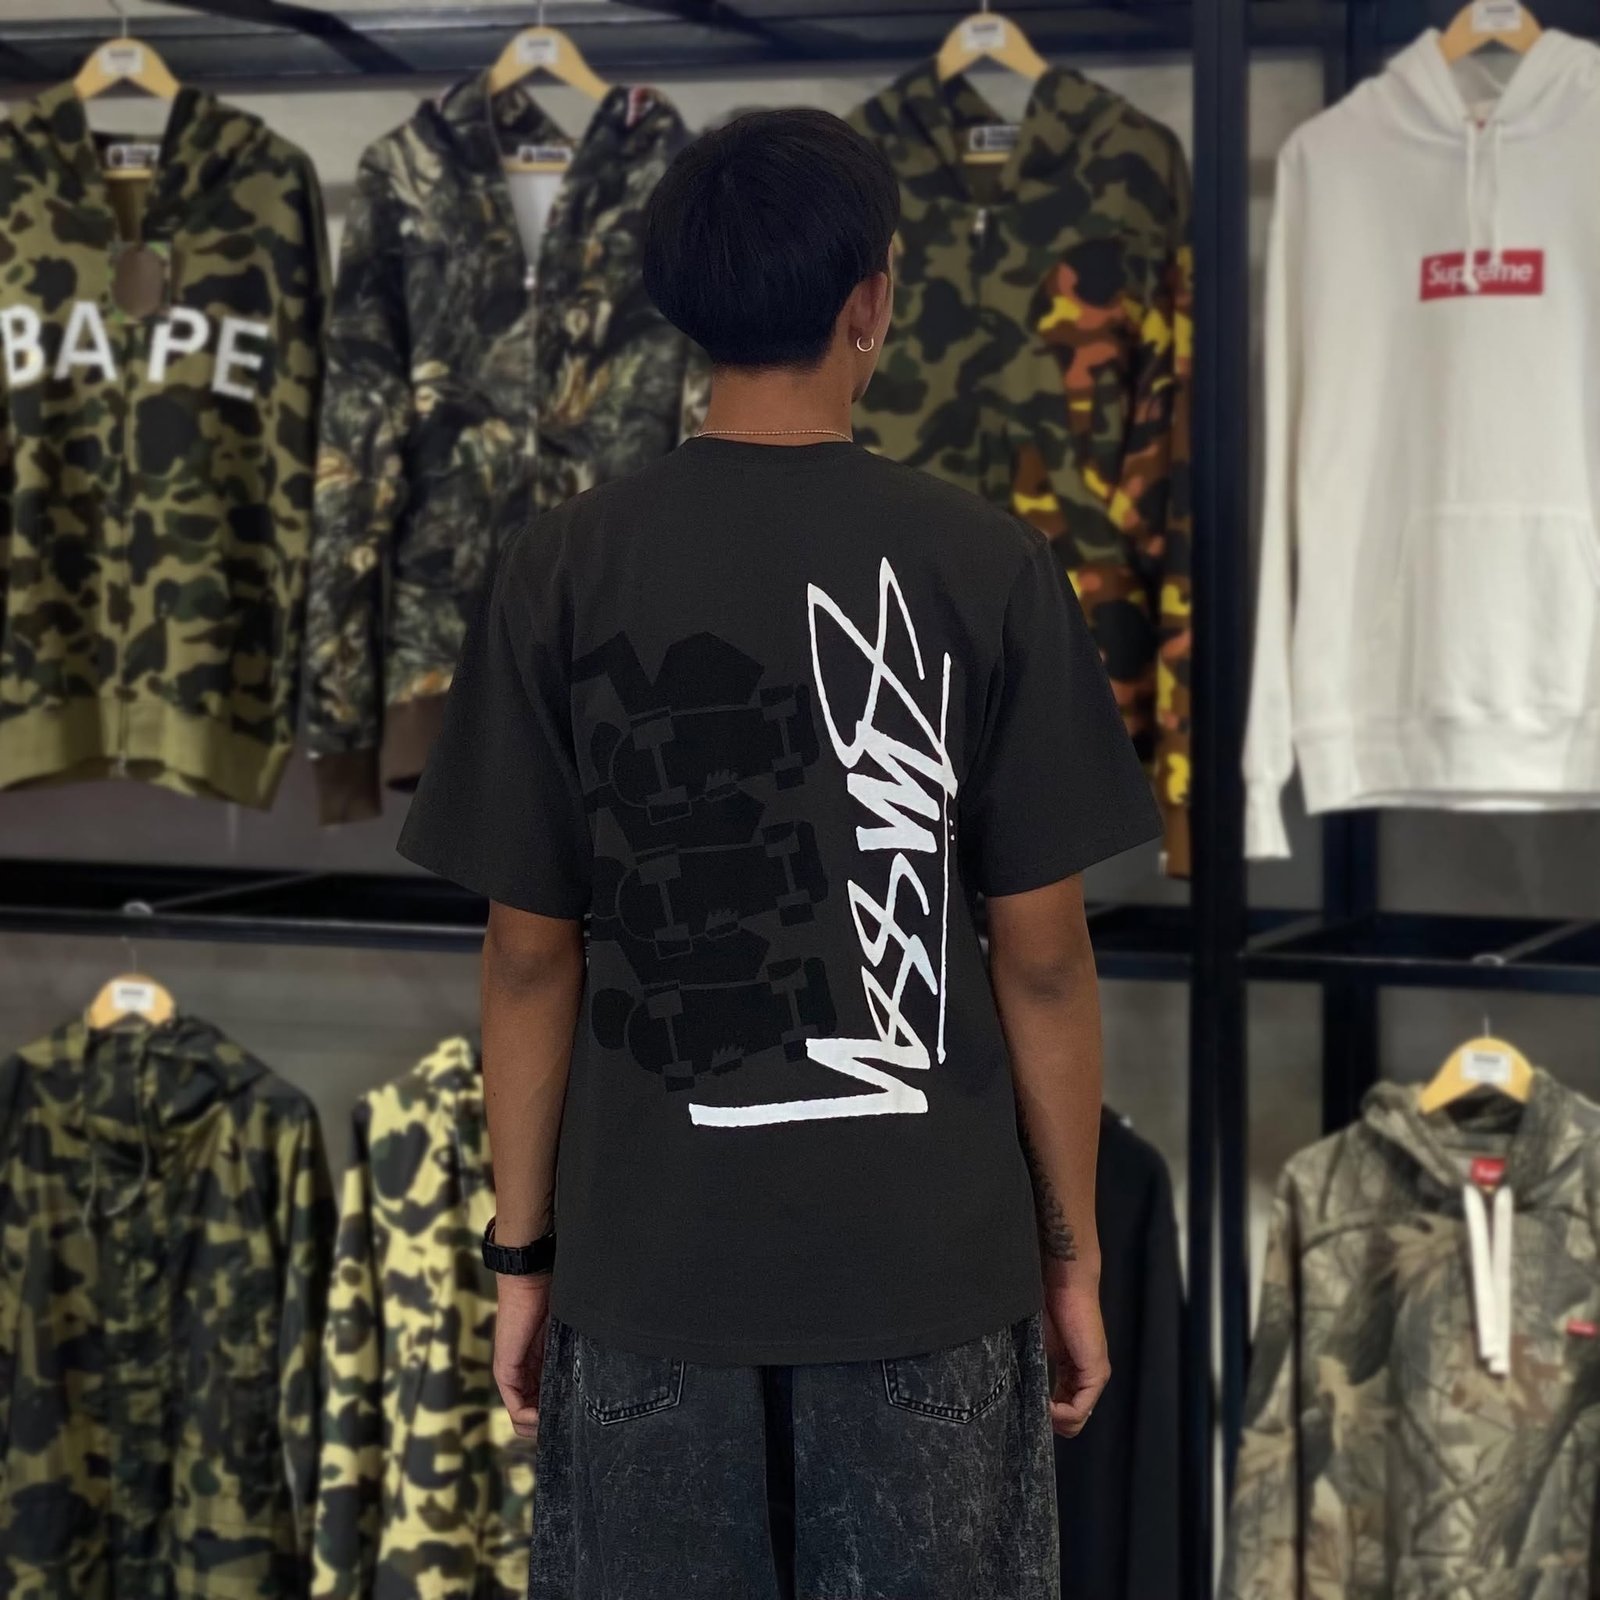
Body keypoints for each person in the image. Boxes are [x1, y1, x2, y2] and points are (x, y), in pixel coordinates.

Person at [398, 106, 1162, 1600]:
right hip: (928, 1276)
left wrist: (524, 1259)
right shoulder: (986, 561)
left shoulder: (562, 567)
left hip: (649, 1276)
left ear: (682, 305)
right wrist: (1069, 1257)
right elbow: (1045, 964)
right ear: (869, 301)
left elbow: (530, 959)